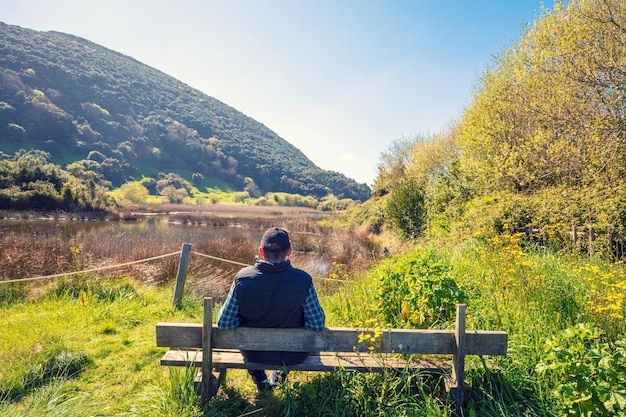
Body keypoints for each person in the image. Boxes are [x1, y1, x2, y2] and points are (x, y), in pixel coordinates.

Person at [216, 227, 326, 392]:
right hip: (293, 354)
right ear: (289, 252)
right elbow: (317, 324)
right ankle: (278, 378)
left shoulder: (242, 279)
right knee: (292, 340)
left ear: (261, 251)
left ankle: (261, 379)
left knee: (249, 339)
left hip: (254, 352)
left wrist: (243, 320)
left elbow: (224, 323)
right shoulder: (303, 280)